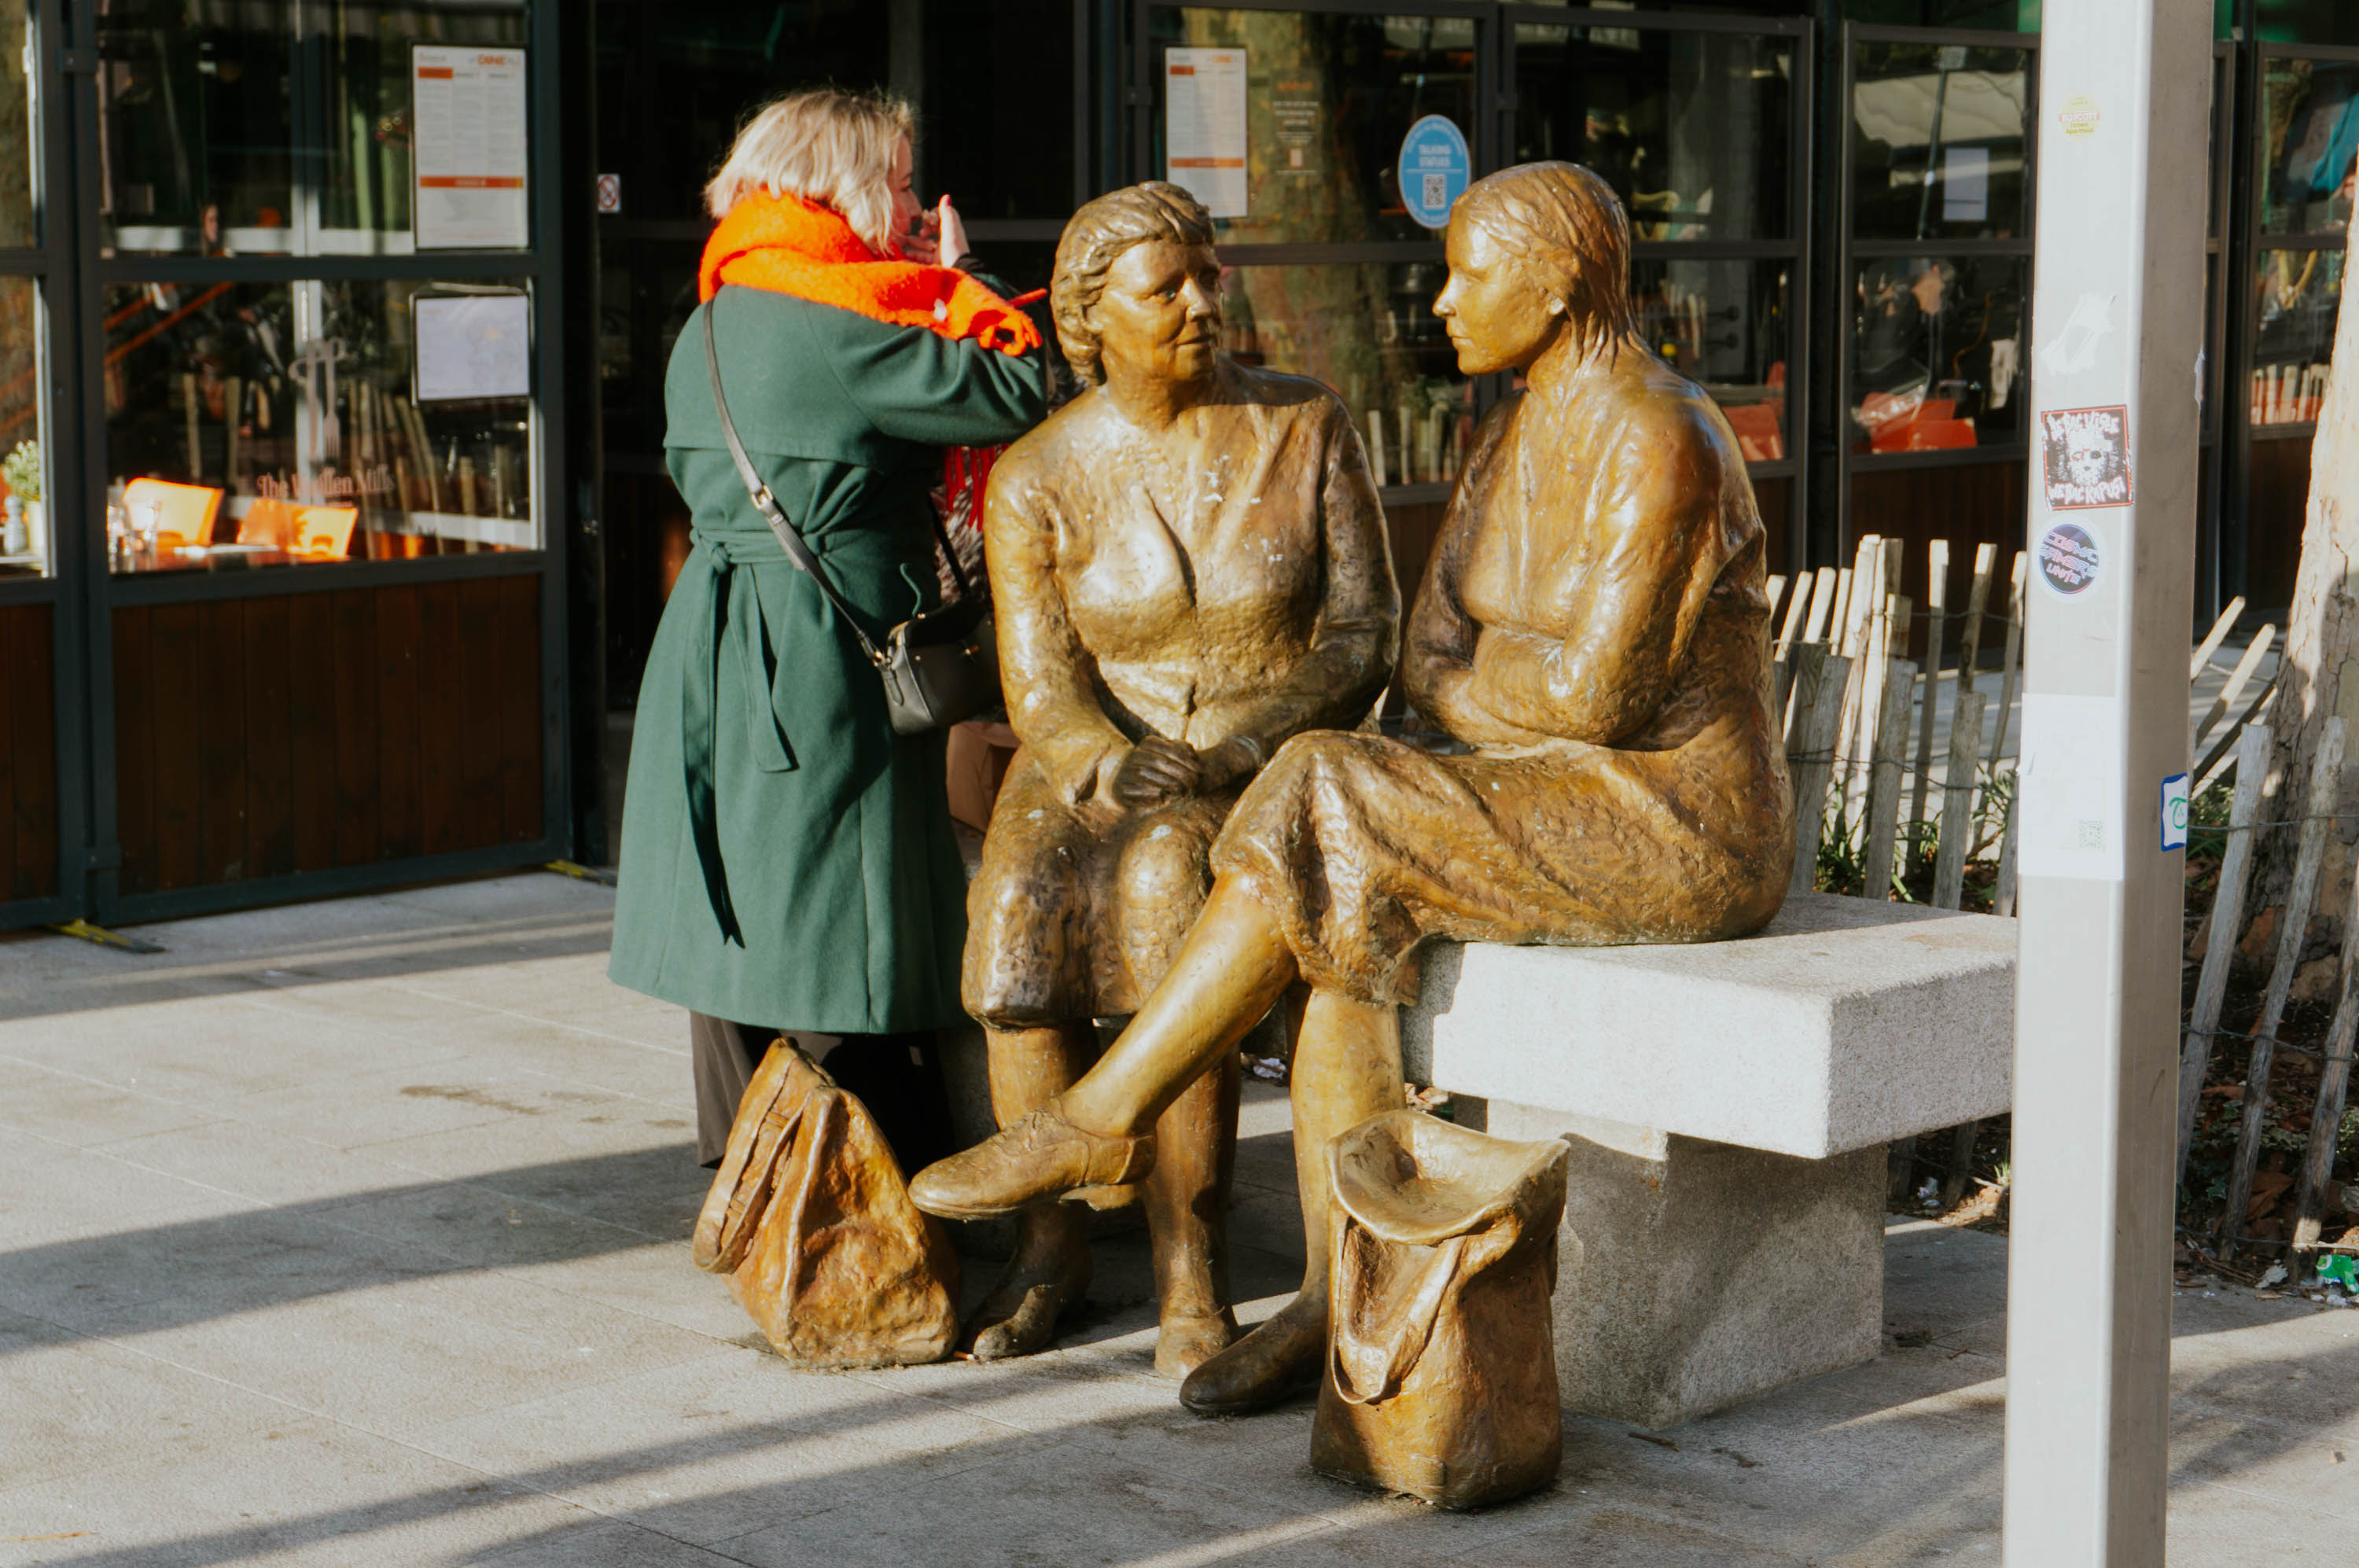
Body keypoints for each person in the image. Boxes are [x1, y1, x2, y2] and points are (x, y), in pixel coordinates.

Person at [911, 160, 1793, 1415]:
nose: (1442, 303)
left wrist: (1484, 681)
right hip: (1541, 782)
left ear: (1553, 286)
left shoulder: (1661, 440)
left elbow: (1591, 701)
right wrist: (1504, 679)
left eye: (1468, 275)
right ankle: (1338, 1294)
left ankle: (1105, 1112)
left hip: (1674, 819)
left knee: (1322, 781)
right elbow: (1431, 664)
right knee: (1334, 923)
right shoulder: (1511, 431)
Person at [959, 182, 1399, 1375]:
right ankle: (1047, 1250)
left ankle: (1188, 1268)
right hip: (1099, 753)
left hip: (1263, 748)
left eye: (1209, 276)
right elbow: (1039, 682)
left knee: (1167, 886)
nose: (1203, 303)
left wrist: (1244, 740)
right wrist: (1101, 759)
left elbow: (1364, 632)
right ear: (1092, 320)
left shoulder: (1303, 424)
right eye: (1168, 289)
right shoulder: (1038, 473)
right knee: (1014, 922)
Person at [609, 88, 1047, 1169]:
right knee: (843, 918)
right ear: (841, 184)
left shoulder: (714, 314)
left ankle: (747, 1173)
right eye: (898, 182)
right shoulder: (841, 327)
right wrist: (965, 279)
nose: (913, 207)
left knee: (739, 903)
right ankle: (867, 1187)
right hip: (820, 652)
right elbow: (1018, 387)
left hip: (714, 637)